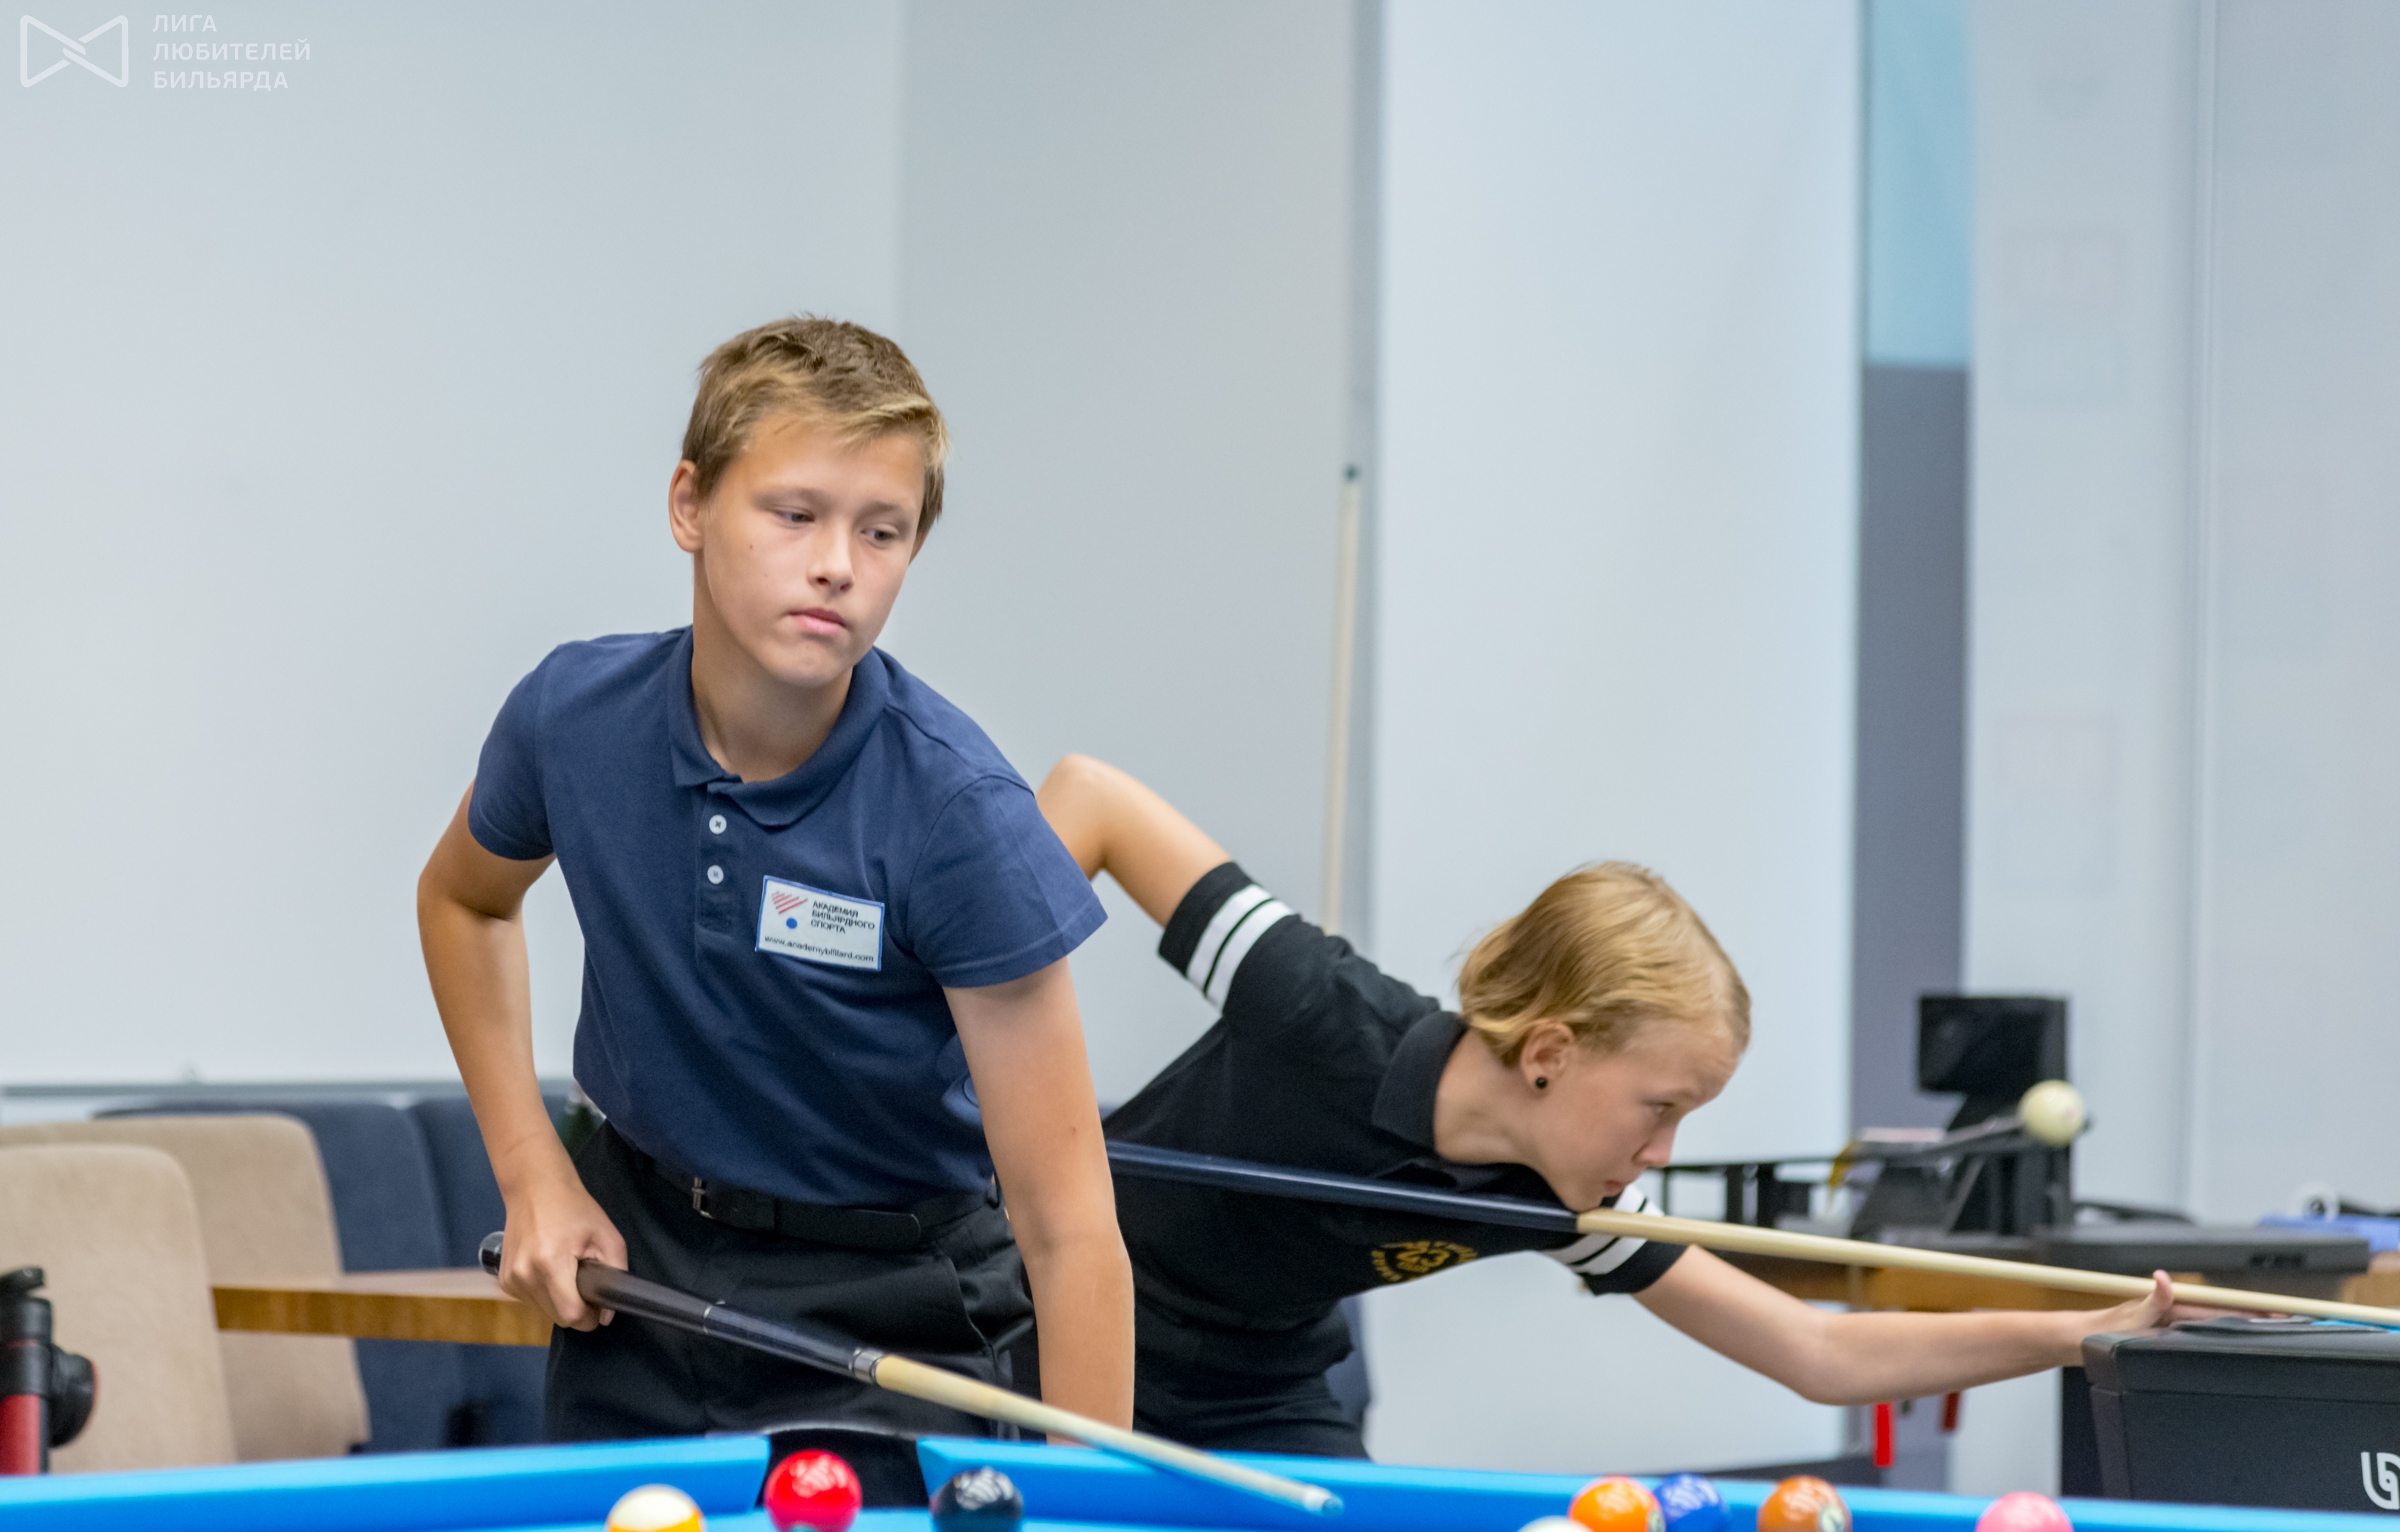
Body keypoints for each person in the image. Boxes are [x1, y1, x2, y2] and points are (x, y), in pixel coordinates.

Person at [1036, 754, 2200, 1458]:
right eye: (1659, 1105)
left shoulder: (1564, 1198)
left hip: (1261, 1385)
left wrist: (2082, 1331)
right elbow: (1091, 799)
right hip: (1059, 1318)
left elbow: (1816, 1349)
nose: (1661, 1150)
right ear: (1550, 1050)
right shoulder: (1319, 1007)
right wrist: (960, 1040)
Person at [417, 318, 1132, 1443]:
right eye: (794, 513)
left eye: (882, 530)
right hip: (638, 1281)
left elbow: (1070, 1227)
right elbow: (463, 900)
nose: (838, 562)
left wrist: (1089, 1514)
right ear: (690, 505)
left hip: (892, 1305)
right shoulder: (570, 718)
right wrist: (533, 1173)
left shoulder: (961, 817)